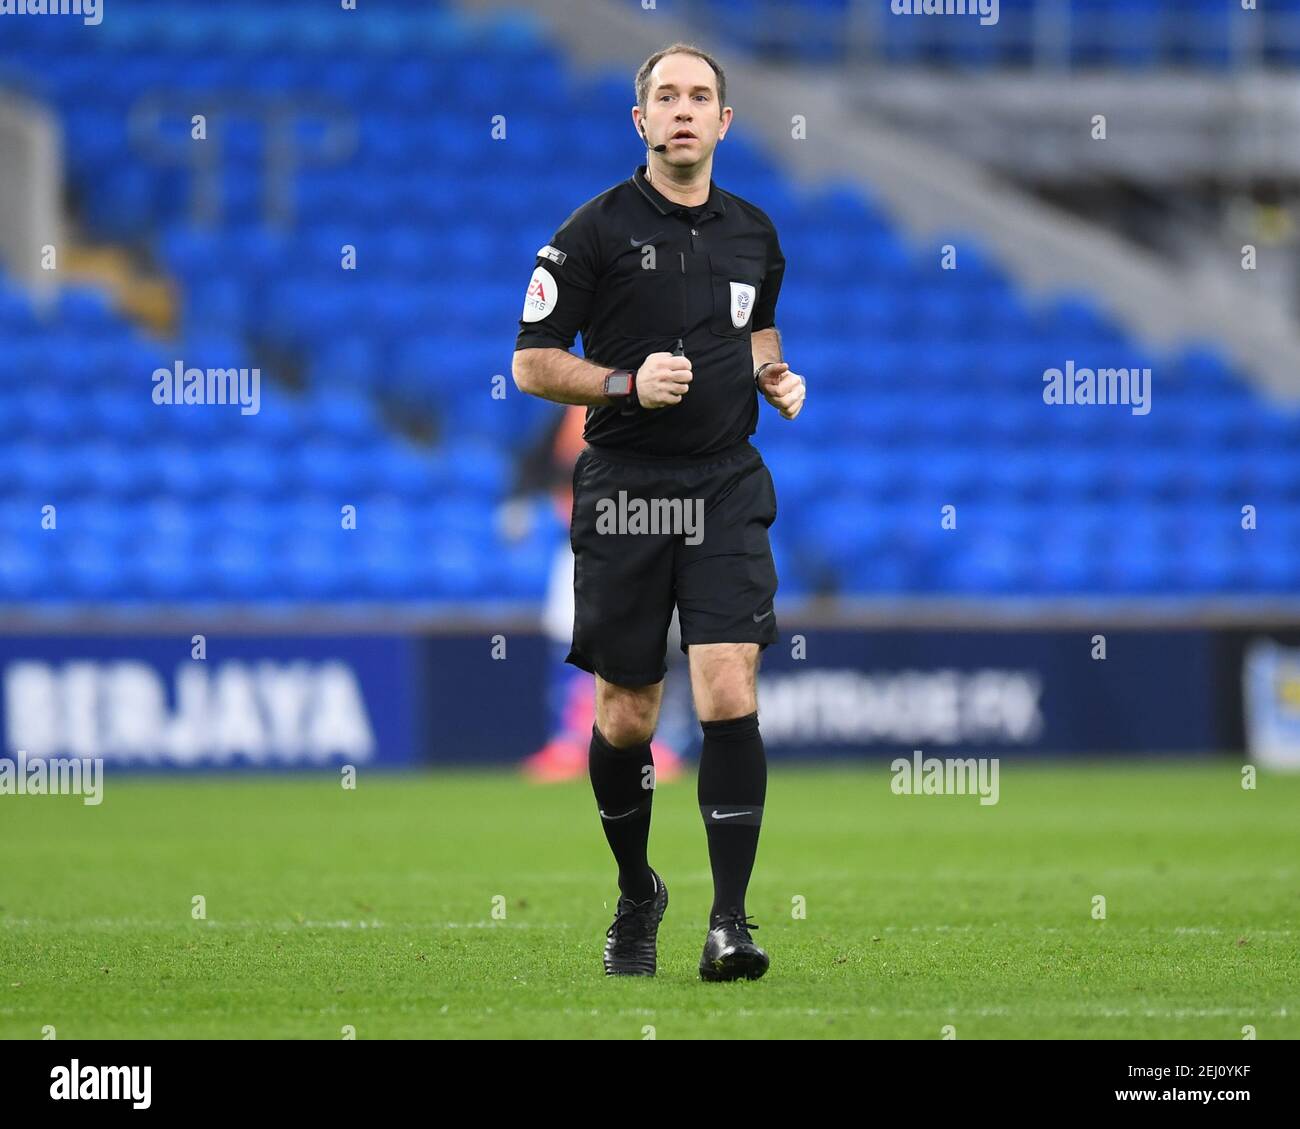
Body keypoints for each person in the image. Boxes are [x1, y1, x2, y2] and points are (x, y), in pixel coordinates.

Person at [512, 43, 806, 982]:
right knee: (628, 715)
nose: (685, 110)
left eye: (702, 96)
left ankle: (731, 919)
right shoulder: (590, 233)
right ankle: (639, 891)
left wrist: (772, 373)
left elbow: (756, 324)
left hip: (725, 483)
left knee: (727, 685)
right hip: (627, 488)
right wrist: (624, 381)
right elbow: (530, 361)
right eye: (667, 97)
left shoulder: (756, 234)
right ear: (641, 122)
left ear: (725, 121)